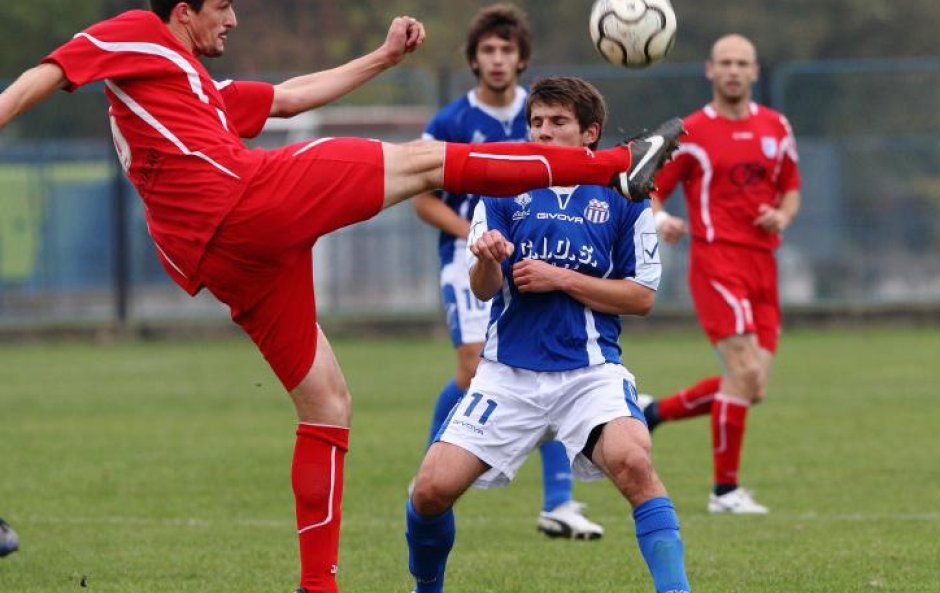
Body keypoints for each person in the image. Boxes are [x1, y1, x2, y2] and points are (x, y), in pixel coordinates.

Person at [0, 2, 682, 591]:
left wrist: (382, 58)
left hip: (225, 256)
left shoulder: (193, 91)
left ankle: (317, 583)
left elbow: (291, 97)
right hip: (243, 201)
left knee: (327, 402)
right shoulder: (138, 34)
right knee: (423, 158)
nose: (233, 19)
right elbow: (52, 69)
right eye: (222, 7)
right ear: (183, 10)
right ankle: (618, 164)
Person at [406, 77, 690, 593]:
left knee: (634, 462)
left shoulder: (624, 195)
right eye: (536, 122)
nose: (543, 133)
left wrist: (561, 278)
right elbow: (484, 288)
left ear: (590, 134)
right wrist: (488, 259)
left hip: (590, 374)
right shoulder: (503, 187)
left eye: (558, 123)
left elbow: (642, 297)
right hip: (507, 376)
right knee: (428, 492)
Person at [412, 3, 601, 540]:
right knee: (472, 369)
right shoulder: (450, 121)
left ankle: (559, 502)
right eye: (487, 51)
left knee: (549, 362)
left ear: (521, 59)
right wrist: (473, 237)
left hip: (547, 258)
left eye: (507, 50)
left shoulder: (545, 112)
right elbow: (422, 198)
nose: (497, 59)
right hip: (472, 261)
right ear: (474, 60)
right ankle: (434, 469)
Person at [639, 34, 801, 515]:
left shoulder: (777, 126)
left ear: (755, 71)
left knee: (753, 386)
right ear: (710, 70)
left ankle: (653, 412)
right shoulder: (690, 131)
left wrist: (782, 217)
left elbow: (791, 189)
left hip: (763, 266)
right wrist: (661, 220)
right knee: (744, 372)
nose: (733, 70)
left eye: (742, 63)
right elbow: (649, 190)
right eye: (725, 63)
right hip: (716, 262)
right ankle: (724, 492)